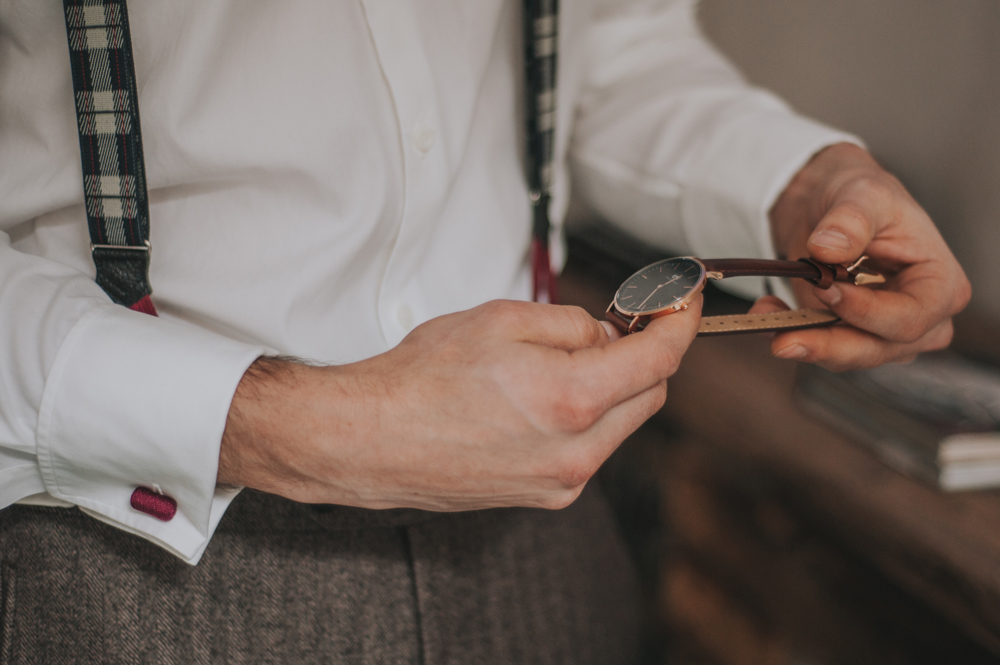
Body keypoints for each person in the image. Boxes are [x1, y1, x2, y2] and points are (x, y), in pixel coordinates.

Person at [0, 0, 969, 663]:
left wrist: (798, 181)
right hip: (126, 562)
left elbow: (611, 55)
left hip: (542, 547)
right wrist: (305, 424)